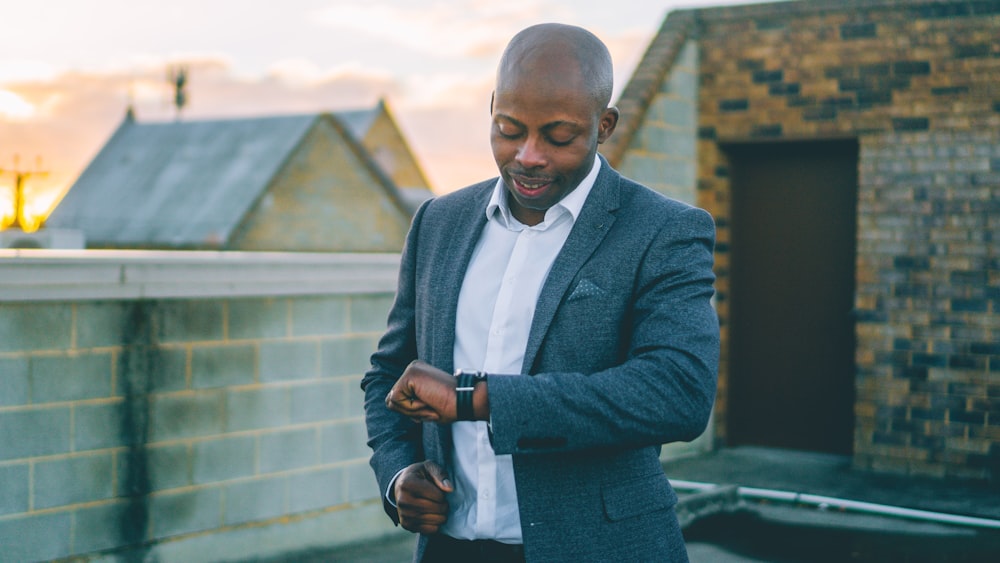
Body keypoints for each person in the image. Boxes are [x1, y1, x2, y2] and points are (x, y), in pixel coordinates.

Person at [361, 22, 718, 562]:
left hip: (600, 548)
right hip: (450, 550)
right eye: (508, 129)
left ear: (604, 125)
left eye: (558, 137)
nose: (528, 156)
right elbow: (389, 376)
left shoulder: (663, 231)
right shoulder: (439, 221)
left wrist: (476, 399)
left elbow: (678, 393)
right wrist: (398, 474)